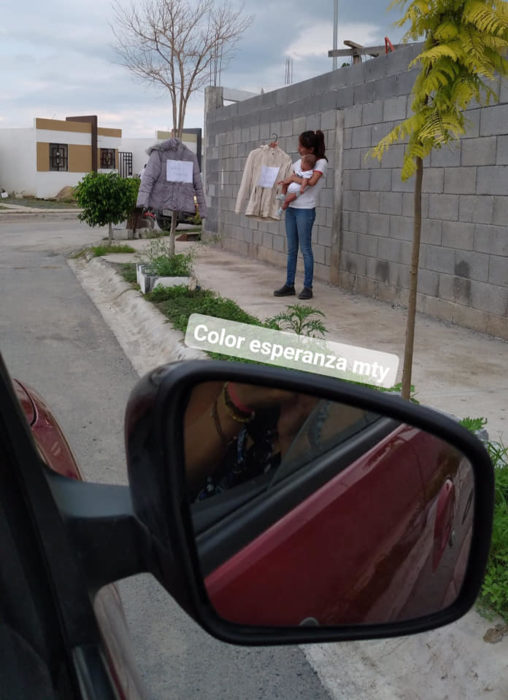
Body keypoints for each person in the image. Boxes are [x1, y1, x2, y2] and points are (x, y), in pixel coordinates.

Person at [184, 381, 319, 500]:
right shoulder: (219, 377)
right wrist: (235, 401)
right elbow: (176, 474)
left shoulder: (329, 415)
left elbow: (303, 511)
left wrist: (293, 437)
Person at [273, 130, 328, 301]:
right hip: (292, 208)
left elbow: (311, 182)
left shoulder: (321, 163)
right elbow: (289, 177)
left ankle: (307, 287)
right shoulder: (299, 162)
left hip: (305, 210)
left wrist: (294, 179)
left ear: (310, 149)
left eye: (301, 146)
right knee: (291, 249)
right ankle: (289, 284)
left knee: (305, 249)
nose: (298, 148)